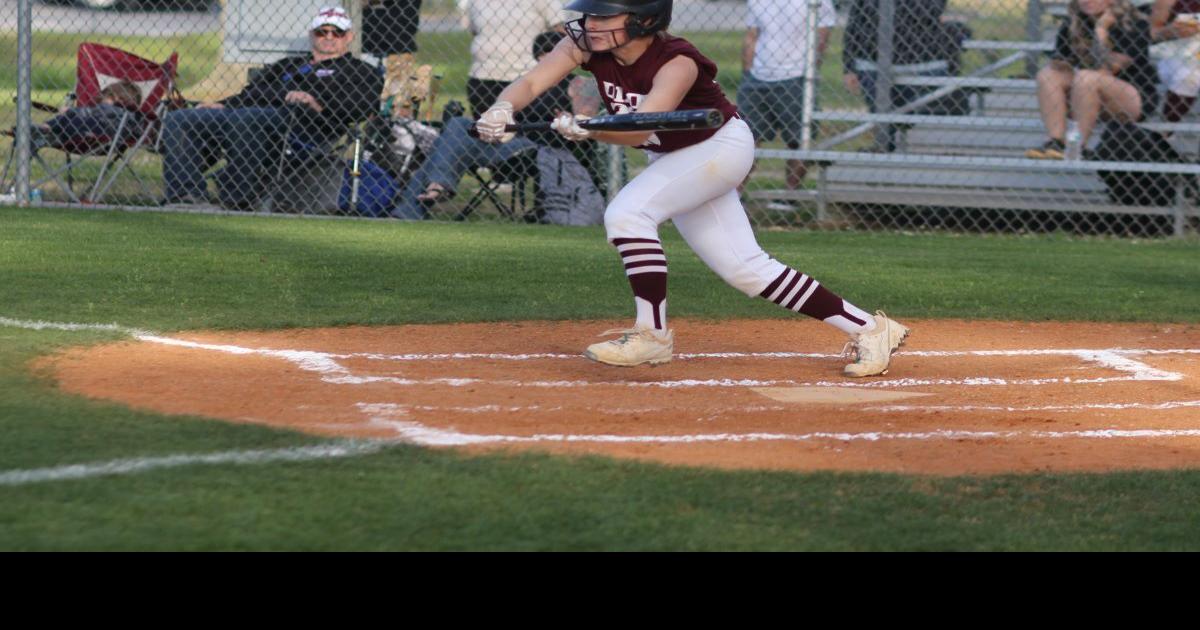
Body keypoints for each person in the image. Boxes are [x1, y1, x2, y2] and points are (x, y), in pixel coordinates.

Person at [474, 0, 909, 377]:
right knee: (746, 269)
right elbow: (531, 82)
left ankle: (653, 334)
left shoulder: (677, 61)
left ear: (644, 19)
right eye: (589, 14)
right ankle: (870, 329)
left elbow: (638, 129)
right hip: (675, 157)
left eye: (604, 15)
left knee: (627, 214)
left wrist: (589, 130)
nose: (589, 23)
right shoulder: (586, 45)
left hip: (719, 146)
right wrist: (501, 107)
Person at [161, 6, 384, 210]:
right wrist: (222, 104)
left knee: (247, 118)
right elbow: (252, 93)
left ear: (349, 37)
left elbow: (363, 107)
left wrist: (318, 103)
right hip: (255, 118)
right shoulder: (289, 65)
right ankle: (186, 195)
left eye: (337, 33)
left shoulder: (360, 71)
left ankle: (238, 200)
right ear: (311, 35)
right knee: (182, 118)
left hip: (308, 126)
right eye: (321, 32)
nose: (328, 37)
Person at [390, 31, 599, 220]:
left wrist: (570, 119)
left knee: (444, 145)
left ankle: (420, 200)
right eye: (542, 55)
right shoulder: (525, 84)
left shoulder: (578, 84)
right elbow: (505, 113)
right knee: (457, 125)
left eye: (551, 54)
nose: (546, 60)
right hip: (507, 143)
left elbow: (586, 121)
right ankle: (435, 187)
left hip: (539, 150)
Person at [1027, 0, 1158, 159]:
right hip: (1085, 98)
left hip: (1130, 99)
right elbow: (1061, 62)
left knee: (1086, 78)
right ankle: (1056, 142)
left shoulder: (1135, 24)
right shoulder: (1074, 22)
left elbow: (1109, 69)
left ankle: (1078, 147)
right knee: (1047, 75)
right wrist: (1064, 62)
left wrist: (1101, 30)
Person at [738, 0, 836, 201]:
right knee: (746, 139)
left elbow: (823, 33)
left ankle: (789, 196)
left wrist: (809, 69)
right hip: (758, 75)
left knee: (798, 139)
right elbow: (752, 35)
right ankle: (734, 195)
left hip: (797, 76)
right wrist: (748, 71)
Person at [842, 0, 951, 152]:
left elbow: (931, 11)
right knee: (884, 124)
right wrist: (848, 66)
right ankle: (886, 150)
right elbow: (854, 22)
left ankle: (910, 152)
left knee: (919, 124)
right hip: (872, 60)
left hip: (923, 60)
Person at [459, 0, 567, 117]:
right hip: (483, 75)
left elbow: (561, 31)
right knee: (487, 129)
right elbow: (475, 31)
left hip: (530, 77)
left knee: (529, 132)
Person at [33, 81, 143, 149]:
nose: (99, 102)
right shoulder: (131, 117)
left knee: (68, 118)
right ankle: (48, 130)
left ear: (115, 97)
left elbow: (89, 112)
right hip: (110, 141)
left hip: (89, 132)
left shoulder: (108, 109)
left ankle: (46, 128)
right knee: (68, 119)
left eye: (103, 98)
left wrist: (70, 111)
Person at [1145, 0, 1200, 122]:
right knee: (1187, 76)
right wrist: (1170, 31)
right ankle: (1167, 129)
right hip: (1180, 55)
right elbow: (1152, 32)